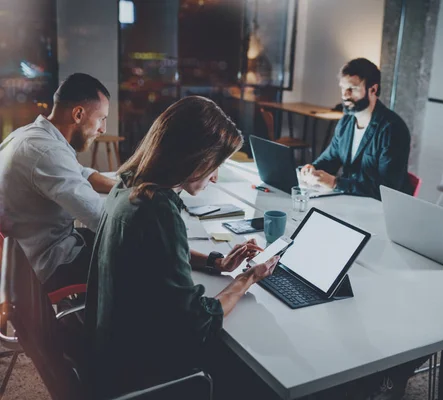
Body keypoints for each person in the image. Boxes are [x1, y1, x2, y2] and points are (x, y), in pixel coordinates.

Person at [84, 96, 280, 399]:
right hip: (139, 372)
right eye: (216, 164)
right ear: (196, 156)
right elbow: (197, 322)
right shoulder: (157, 210)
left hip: (108, 352)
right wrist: (246, 279)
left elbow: (155, 254)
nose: (215, 176)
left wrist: (216, 263)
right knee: (254, 374)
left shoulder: (128, 185)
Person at [0, 73, 116, 292]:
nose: (103, 129)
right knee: (137, 258)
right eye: (101, 118)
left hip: (30, 252)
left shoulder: (31, 136)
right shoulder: (46, 151)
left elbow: (82, 174)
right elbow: (100, 218)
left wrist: (124, 188)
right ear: (78, 114)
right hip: (47, 264)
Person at [300, 58, 412, 200]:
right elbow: (330, 158)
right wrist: (312, 169)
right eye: (342, 88)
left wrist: (335, 183)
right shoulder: (346, 121)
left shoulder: (392, 129)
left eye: (352, 89)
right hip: (351, 200)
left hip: (380, 209)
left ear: (373, 89)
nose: (345, 95)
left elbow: (386, 190)